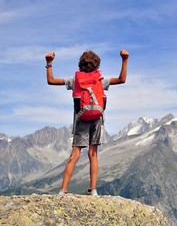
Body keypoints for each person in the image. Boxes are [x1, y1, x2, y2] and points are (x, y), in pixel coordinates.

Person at [45, 49, 129, 196]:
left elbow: (51, 81)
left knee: (75, 154)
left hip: (81, 119)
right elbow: (122, 79)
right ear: (97, 65)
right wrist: (124, 59)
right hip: (97, 118)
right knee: (93, 154)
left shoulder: (75, 80)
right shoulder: (100, 80)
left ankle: (63, 190)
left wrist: (49, 63)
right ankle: (92, 189)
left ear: (80, 64)